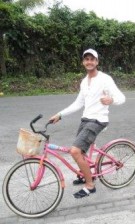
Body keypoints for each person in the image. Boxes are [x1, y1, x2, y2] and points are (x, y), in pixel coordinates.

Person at [49, 48, 125, 198]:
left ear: (97, 62)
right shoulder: (84, 82)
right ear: (83, 62)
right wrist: (60, 114)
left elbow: (122, 98)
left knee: (75, 151)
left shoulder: (105, 79)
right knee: (80, 153)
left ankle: (90, 185)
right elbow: (78, 104)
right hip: (86, 119)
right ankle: (86, 174)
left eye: (92, 59)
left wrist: (112, 100)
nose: (89, 62)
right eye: (86, 59)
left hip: (98, 120)